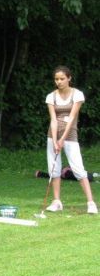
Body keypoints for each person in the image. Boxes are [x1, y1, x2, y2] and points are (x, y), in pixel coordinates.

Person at [44, 65, 97, 214]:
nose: (59, 82)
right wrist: (55, 140)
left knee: (78, 169)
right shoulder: (51, 96)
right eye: (56, 79)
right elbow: (53, 120)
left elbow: (72, 118)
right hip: (52, 136)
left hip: (70, 136)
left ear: (69, 78)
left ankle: (91, 203)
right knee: (54, 169)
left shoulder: (77, 95)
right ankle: (56, 202)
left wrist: (62, 139)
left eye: (62, 78)